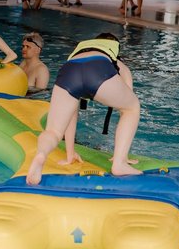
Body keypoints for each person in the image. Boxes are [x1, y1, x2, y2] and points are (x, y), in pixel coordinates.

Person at [26, 33, 141, 185]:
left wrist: (70, 153)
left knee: (53, 131)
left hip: (68, 71)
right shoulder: (115, 59)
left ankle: (41, 155)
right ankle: (119, 163)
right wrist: (122, 153)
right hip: (97, 68)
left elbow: (71, 112)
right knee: (132, 108)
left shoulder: (79, 51)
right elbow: (125, 105)